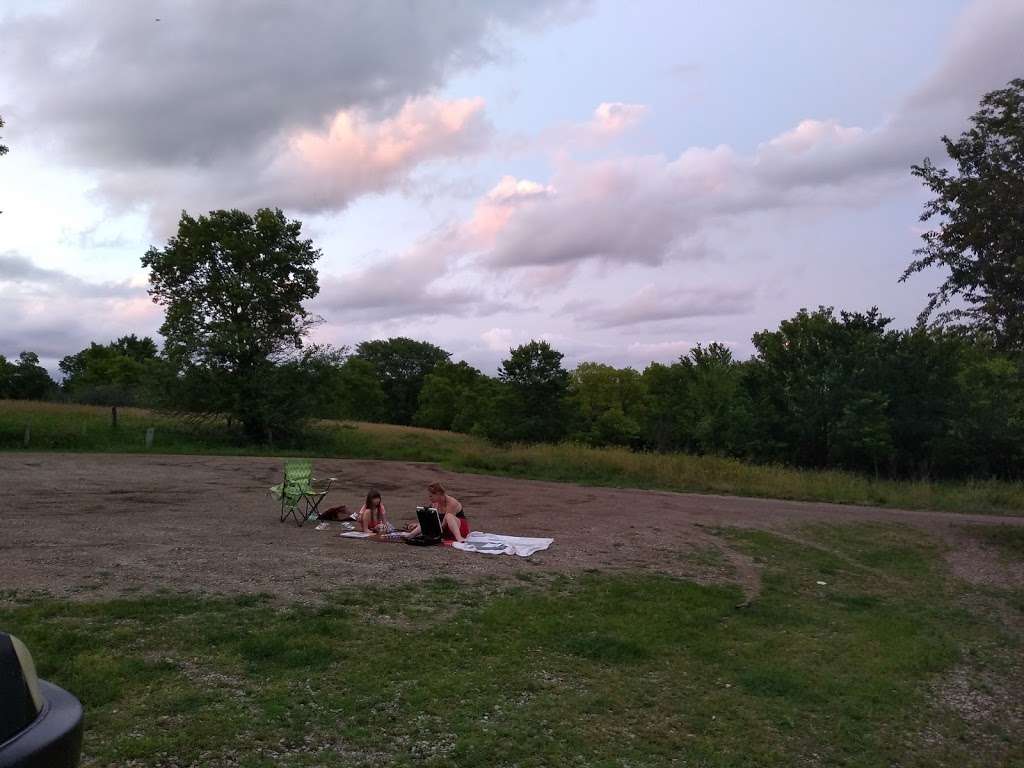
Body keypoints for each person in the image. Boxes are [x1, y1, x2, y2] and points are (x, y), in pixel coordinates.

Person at [405, 481, 470, 543]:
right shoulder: (435, 503)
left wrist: (432, 529)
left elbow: (444, 524)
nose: (429, 498)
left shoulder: (452, 502)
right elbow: (431, 520)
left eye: (431, 496)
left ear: (438, 494)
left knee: (449, 516)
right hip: (444, 528)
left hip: (459, 528)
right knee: (428, 519)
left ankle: (459, 538)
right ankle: (411, 535)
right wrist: (419, 525)